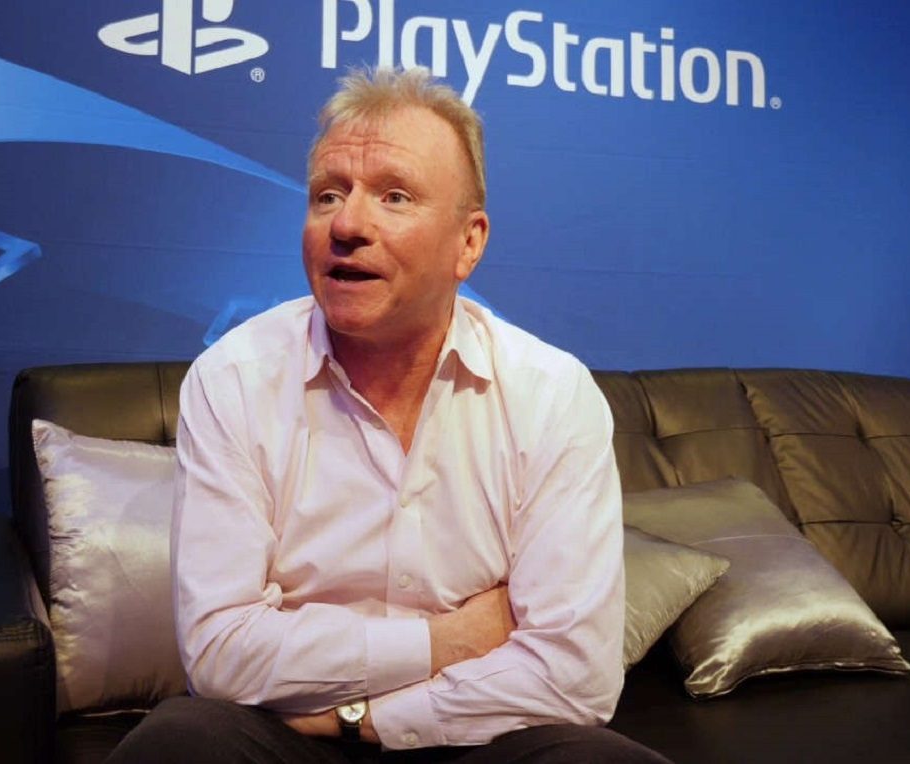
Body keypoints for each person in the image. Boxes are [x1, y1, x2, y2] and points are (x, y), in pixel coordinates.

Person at [108, 67, 669, 763]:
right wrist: (446, 641)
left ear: (469, 242)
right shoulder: (233, 379)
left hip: (472, 738)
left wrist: (363, 719)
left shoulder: (552, 393)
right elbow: (220, 654)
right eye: (328, 195)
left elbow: (575, 674)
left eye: (394, 196)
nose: (347, 225)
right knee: (179, 744)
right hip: (285, 739)